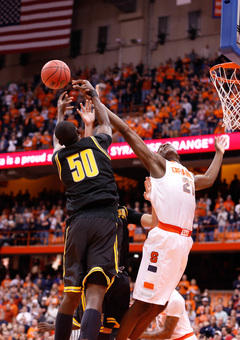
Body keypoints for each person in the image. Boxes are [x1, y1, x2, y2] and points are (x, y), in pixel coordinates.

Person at [80, 82, 227, 340]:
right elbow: (125, 130)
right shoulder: (159, 166)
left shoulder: (189, 177)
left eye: (167, 146)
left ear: (178, 154)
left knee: (158, 305)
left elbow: (211, 179)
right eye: (160, 147)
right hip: (164, 239)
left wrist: (219, 152)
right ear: (157, 156)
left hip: (183, 243)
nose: (164, 146)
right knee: (142, 305)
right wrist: (96, 98)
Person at [52, 82, 120, 340]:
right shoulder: (97, 144)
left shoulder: (59, 158)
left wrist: (60, 115)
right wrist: (94, 95)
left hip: (78, 221)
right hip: (105, 218)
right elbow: (107, 125)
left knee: (71, 293)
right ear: (80, 133)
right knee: (95, 291)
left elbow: (58, 144)